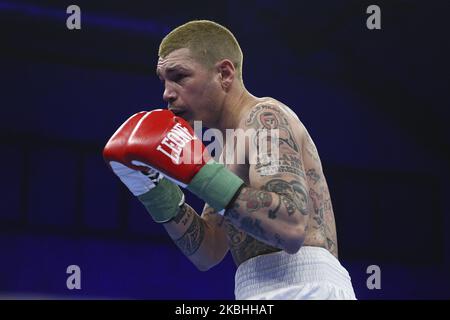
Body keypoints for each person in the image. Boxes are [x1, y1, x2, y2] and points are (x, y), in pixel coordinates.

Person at [103, 20, 356, 300]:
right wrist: (154, 190)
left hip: (306, 289)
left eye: (179, 76)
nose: (167, 93)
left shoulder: (265, 117)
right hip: (254, 292)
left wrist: (197, 172)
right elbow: (208, 251)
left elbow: (290, 226)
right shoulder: (228, 150)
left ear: (224, 74)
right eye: (163, 80)